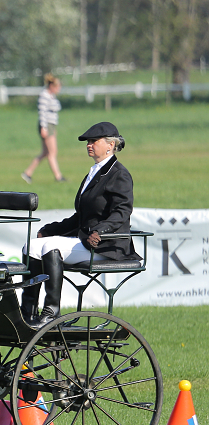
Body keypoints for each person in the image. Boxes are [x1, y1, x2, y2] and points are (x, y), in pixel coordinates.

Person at [19, 122, 139, 328]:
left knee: (51, 248)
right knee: (30, 247)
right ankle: (28, 312)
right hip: (86, 240)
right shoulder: (94, 173)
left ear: (110, 145)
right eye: (88, 142)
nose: (89, 145)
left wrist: (100, 231)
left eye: (94, 141)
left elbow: (122, 212)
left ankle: (51, 313)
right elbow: (80, 217)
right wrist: (50, 230)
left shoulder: (119, 174)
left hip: (106, 246)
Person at [22, 74, 65, 183]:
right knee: (52, 153)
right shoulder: (44, 95)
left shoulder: (51, 96)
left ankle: (27, 173)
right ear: (51, 85)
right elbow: (42, 113)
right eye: (57, 86)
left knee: (45, 153)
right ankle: (58, 176)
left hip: (51, 125)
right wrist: (44, 127)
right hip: (46, 125)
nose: (58, 88)